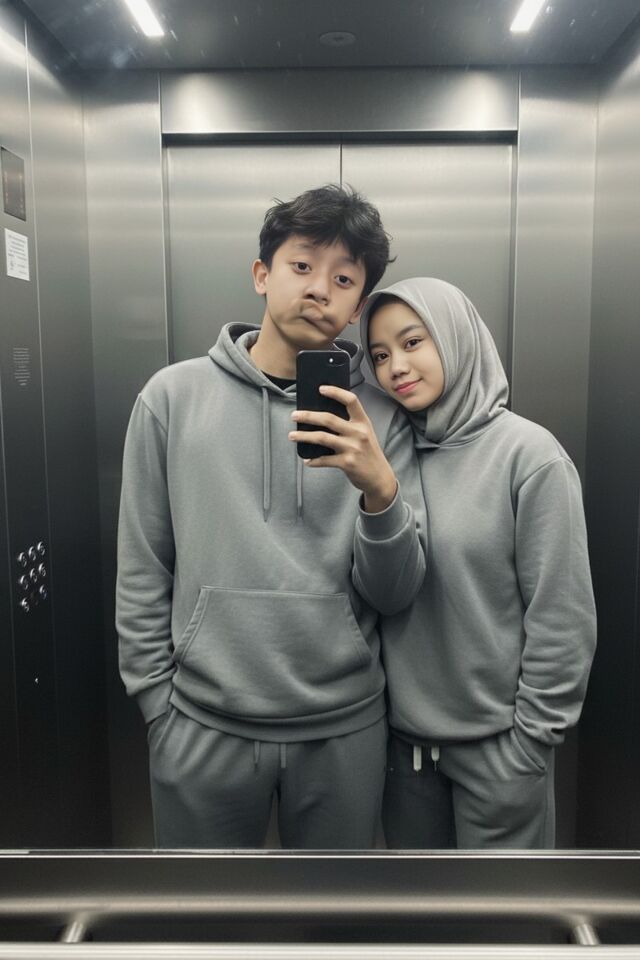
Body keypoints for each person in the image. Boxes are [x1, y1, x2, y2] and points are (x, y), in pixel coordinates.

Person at [116, 185, 426, 849]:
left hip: (344, 728)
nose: (319, 289)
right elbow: (143, 563)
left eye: (343, 279)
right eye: (302, 266)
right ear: (261, 274)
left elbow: (397, 593)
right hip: (200, 723)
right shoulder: (171, 399)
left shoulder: (381, 420)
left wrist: (379, 491)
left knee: (337, 913)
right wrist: (156, 703)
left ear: (357, 308)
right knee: (199, 910)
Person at [358, 277, 596, 849]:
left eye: (412, 342)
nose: (396, 367)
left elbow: (561, 615)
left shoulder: (529, 455)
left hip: (502, 754)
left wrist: (531, 743)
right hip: (404, 757)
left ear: (456, 337)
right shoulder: (384, 456)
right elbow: (381, 593)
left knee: (504, 908)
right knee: (418, 909)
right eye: (380, 355)